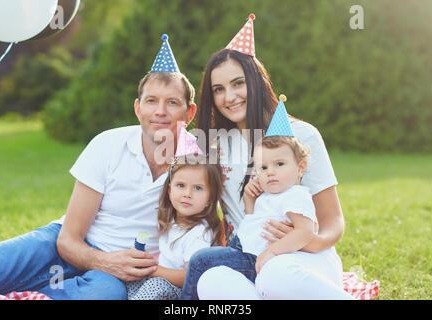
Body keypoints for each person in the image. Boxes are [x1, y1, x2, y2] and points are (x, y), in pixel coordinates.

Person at [0, 35, 197, 300]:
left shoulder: (198, 163)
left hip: (115, 277)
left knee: (103, 295)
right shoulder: (108, 144)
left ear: (189, 114)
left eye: (172, 102)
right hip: (66, 246)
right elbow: (67, 240)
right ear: (138, 108)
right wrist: (103, 260)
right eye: (151, 101)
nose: (160, 112)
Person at [181, 14, 346, 300]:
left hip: (301, 260)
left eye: (238, 83)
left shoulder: (301, 135)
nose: (229, 97)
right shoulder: (214, 144)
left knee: (275, 276)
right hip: (247, 259)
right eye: (219, 89)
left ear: (256, 82)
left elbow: (334, 223)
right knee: (211, 280)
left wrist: (301, 243)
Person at [197, 133, 353, 299]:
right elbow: (254, 226)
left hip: (302, 264)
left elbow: (305, 232)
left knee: (272, 275)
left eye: (279, 164)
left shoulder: (295, 195)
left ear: (300, 168)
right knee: (211, 279)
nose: (270, 172)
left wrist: (271, 252)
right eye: (263, 168)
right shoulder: (266, 198)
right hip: (267, 268)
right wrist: (249, 201)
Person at [125, 150, 224, 300]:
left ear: (210, 198)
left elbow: (189, 277)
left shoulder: (199, 233)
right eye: (181, 185)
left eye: (197, 188)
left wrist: (152, 270)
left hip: (180, 291)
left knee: (155, 286)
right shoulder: (172, 220)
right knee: (129, 279)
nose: (187, 194)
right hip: (160, 279)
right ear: (170, 190)